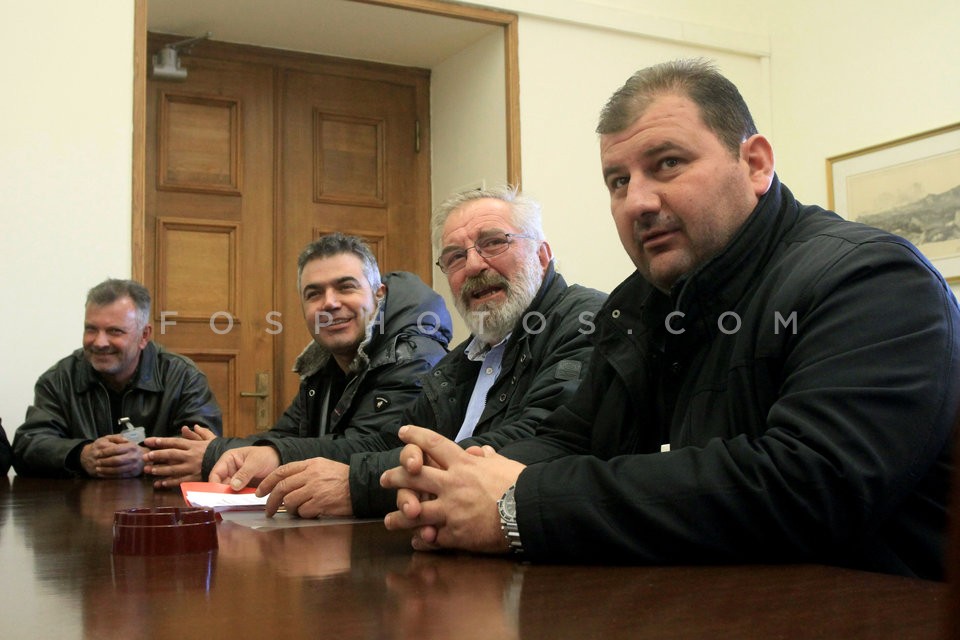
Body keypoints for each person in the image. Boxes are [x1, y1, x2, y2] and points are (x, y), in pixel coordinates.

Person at [380, 59, 960, 581]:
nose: (637, 200)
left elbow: (807, 484)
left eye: (668, 164)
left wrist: (517, 504)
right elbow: (573, 438)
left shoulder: (873, 280)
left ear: (755, 163)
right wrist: (460, 478)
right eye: (618, 181)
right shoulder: (637, 306)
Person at [209, 186, 607, 518]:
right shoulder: (463, 361)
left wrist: (356, 483)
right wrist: (276, 453)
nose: (473, 265)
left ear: (541, 255)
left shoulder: (586, 320)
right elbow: (389, 444)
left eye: (493, 243)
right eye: (454, 257)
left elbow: (539, 441)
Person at [142, 233, 453, 488]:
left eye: (345, 287)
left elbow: (371, 447)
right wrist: (222, 454)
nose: (329, 303)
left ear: (378, 295)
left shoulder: (414, 355)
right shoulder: (324, 364)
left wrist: (218, 454)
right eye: (314, 294)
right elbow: (286, 438)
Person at [13, 279, 222, 478]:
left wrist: (146, 459)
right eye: (91, 329)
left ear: (144, 336)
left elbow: (206, 449)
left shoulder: (184, 377)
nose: (100, 342)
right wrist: (81, 455)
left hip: (160, 507)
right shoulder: (59, 379)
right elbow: (28, 446)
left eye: (114, 331)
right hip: (80, 507)